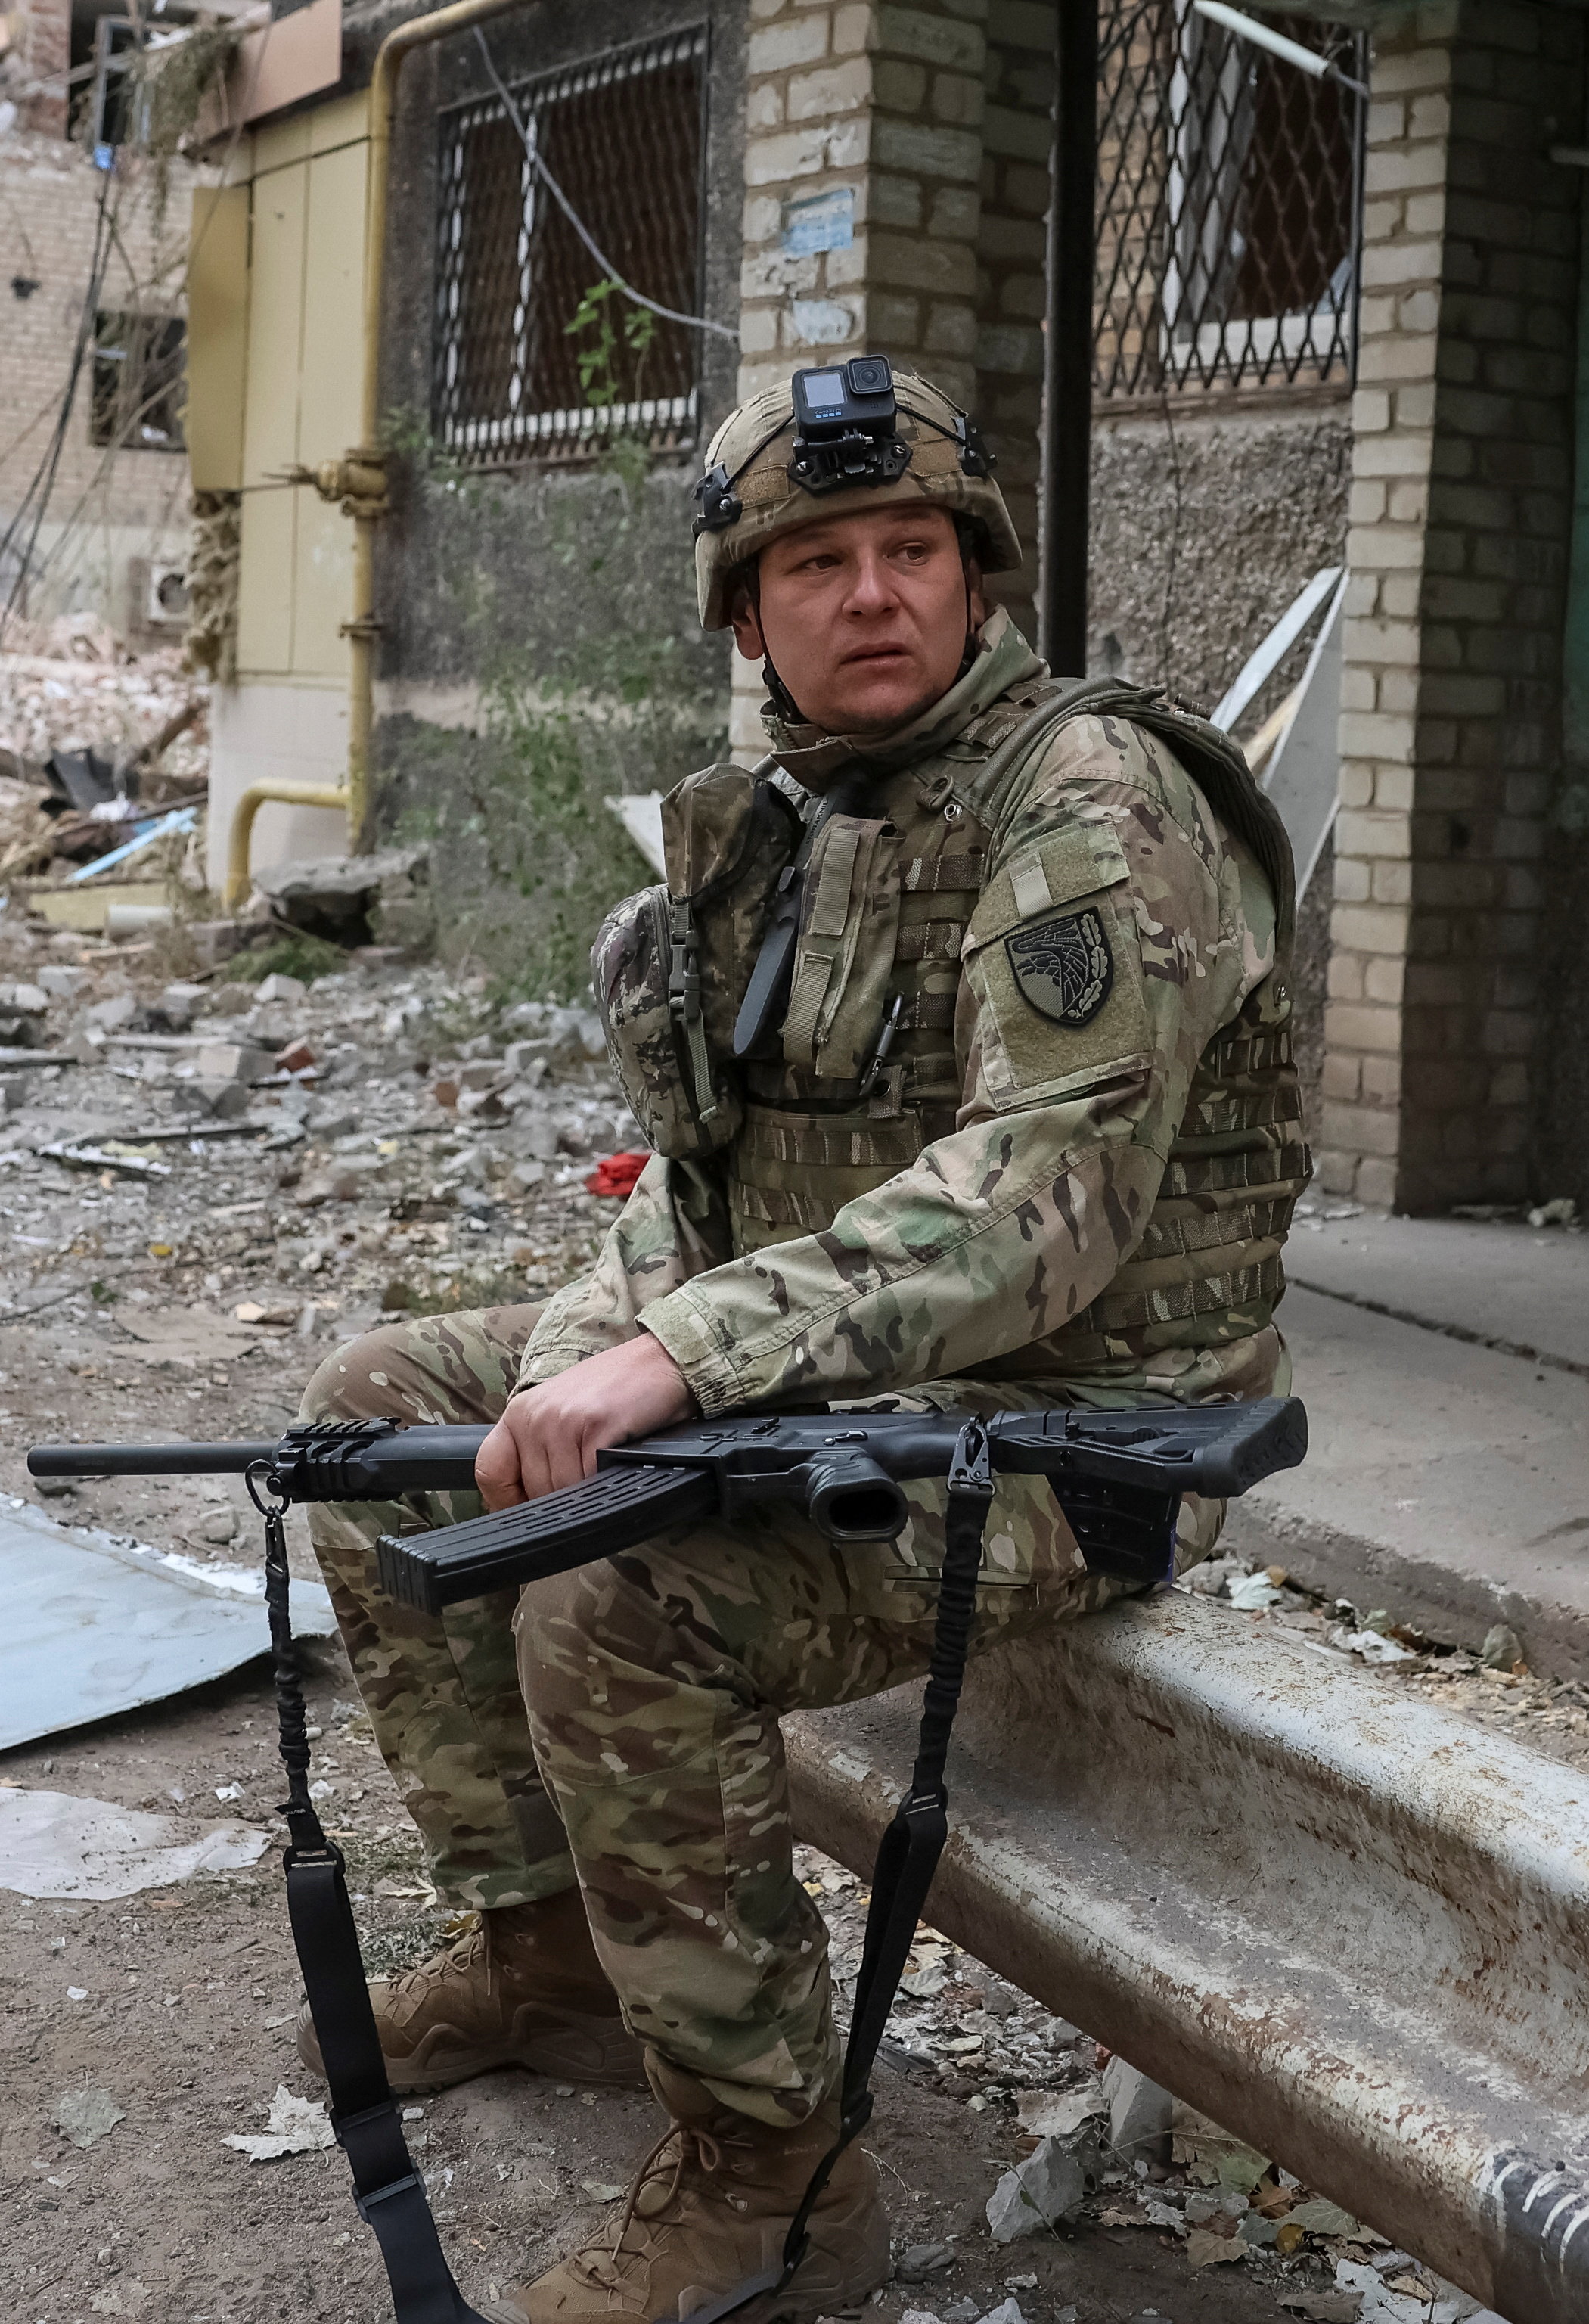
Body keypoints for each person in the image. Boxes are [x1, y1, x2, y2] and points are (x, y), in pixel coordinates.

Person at [298, 356, 1306, 2322]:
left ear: (975, 574)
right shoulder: (788, 825)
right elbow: (694, 1189)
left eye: (911, 548)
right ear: (748, 616)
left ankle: (773, 2175)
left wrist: (676, 1363)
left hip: (1077, 1438)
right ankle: (553, 1957)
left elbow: (1041, 1202)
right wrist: (587, 1358)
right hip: (847, 1383)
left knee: (620, 1593)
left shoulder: (1091, 804)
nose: (872, 593)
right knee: (373, 1411)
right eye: (817, 562)